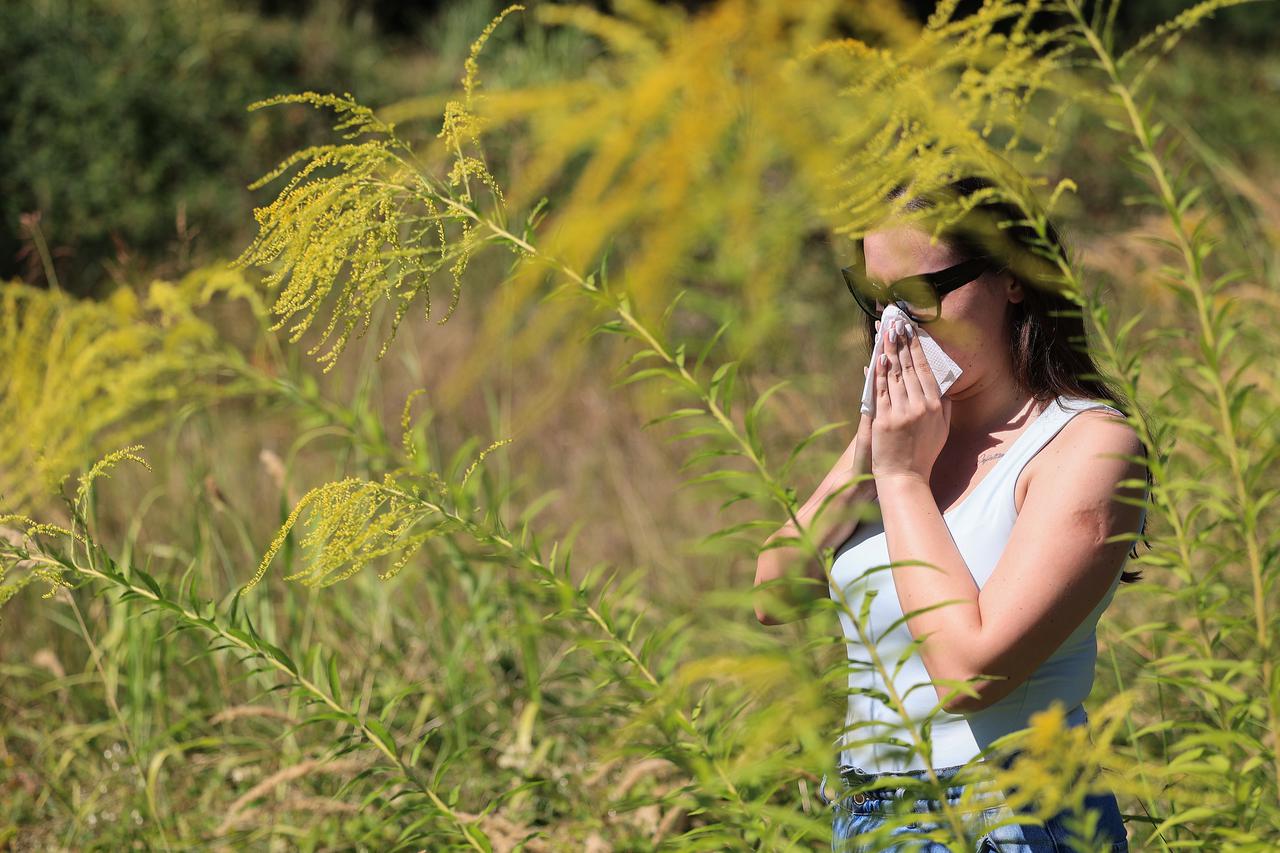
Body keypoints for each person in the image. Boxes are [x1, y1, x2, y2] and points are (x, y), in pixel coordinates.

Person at [752, 175, 1152, 852]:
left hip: (1005, 810)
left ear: (1014, 277)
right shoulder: (905, 441)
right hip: (867, 812)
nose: (893, 328)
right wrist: (866, 447)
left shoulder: (1085, 448)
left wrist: (904, 478)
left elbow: (970, 673)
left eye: (917, 297)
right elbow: (774, 590)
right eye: (873, 300)